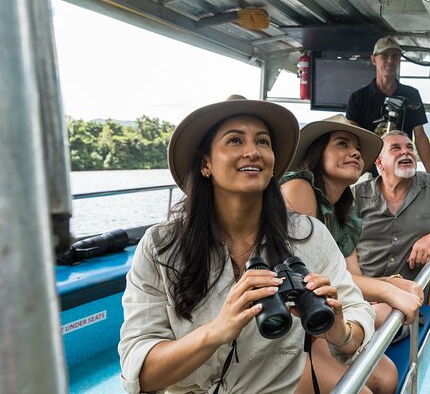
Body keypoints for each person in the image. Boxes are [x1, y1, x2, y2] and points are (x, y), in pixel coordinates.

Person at [118, 95, 374, 394]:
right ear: (205, 164)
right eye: (235, 141)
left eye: (263, 142)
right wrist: (216, 331)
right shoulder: (161, 247)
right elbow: (140, 373)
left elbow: (357, 313)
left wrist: (339, 330)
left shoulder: (309, 236)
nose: (253, 152)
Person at [280, 115, 422, 394]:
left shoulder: (344, 210)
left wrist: (392, 283)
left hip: (320, 318)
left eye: (356, 148)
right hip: (291, 323)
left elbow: (349, 278)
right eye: (342, 144)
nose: (355, 152)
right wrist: (389, 290)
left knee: (387, 376)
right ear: (318, 154)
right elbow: (305, 282)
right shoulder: (299, 189)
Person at [352, 130, 430, 281]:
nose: (405, 152)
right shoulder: (355, 195)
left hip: (413, 292)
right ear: (379, 162)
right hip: (363, 291)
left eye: (410, 147)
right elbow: (340, 248)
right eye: (395, 148)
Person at [346, 36, 430, 173]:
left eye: (395, 56)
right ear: (373, 59)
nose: (390, 60)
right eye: (385, 55)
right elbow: (352, 137)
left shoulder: (411, 94)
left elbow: (420, 136)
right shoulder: (358, 98)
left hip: (402, 168)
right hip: (369, 171)